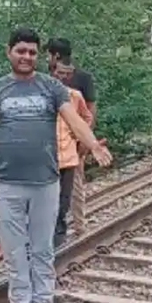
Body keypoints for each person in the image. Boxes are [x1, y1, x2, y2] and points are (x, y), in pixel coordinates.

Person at [0, 27, 112, 303]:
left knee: (41, 246)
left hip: (45, 182)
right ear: (8, 52)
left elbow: (75, 121)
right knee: (13, 247)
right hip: (7, 182)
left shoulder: (52, 88)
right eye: (21, 51)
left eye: (32, 52)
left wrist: (93, 145)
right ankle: (20, 302)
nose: (26, 57)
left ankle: (43, 301)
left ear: (39, 56)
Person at [51, 57, 93, 248]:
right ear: (53, 72)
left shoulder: (74, 96)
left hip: (70, 152)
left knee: (73, 191)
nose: (64, 77)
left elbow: (86, 117)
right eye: (60, 73)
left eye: (68, 74)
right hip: (48, 153)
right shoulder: (42, 93)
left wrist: (81, 137)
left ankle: (80, 226)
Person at [45, 38, 97, 123]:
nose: (47, 59)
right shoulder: (48, 77)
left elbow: (91, 109)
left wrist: (86, 133)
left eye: (49, 55)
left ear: (56, 55)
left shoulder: (83, 78)